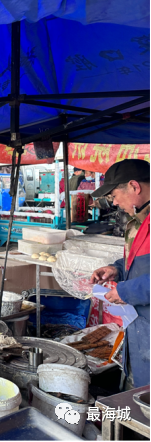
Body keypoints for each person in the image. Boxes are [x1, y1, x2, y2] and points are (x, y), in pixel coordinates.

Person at [90, 159, 149, 388]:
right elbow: (138, 264)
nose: (114, 203)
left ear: (134, 186)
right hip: (139, 329)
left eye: (114, 195)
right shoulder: (135, 224)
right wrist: (117, 269)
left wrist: (124, 291)